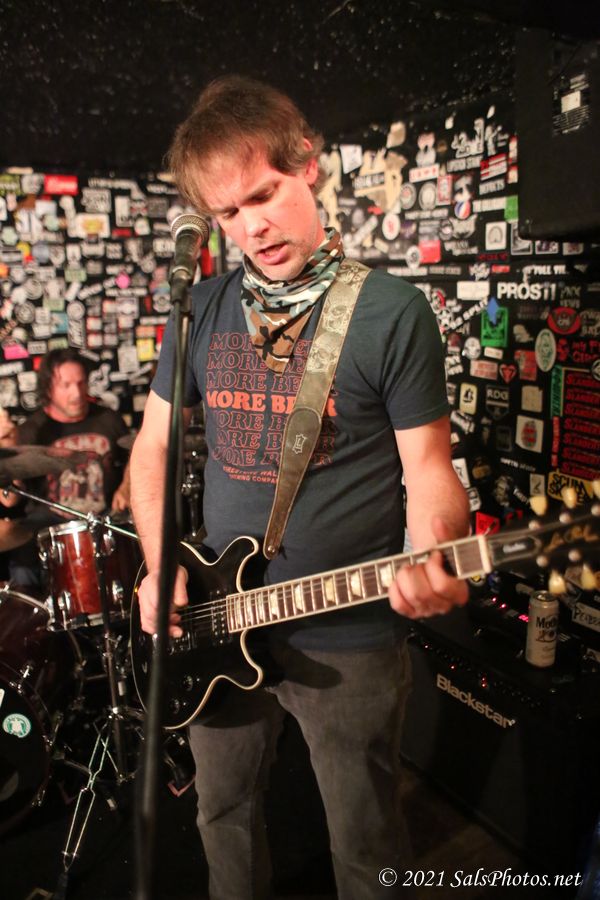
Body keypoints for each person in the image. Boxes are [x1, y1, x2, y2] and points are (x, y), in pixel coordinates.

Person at [130, 75, 470, 900]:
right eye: (228, 213)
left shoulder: (391, 313)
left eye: (263, 194)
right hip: (219, 618)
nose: (252, 227)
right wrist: (159, 567)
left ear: (308, 164)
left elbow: (429, 469)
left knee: (365, 842)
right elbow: (152, 449)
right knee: (223, 816)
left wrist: (435, 552)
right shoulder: (197, 309)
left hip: (348, 631)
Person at [1, 348, 131, 585]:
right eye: (66, 385)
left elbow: (135, 454)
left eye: (81, 383)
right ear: (48, 388)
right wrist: (7, 445)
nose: (77, 393)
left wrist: (126, 486)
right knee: (22, 567)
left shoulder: (108, 419)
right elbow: (10, 499)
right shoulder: (32, 430)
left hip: (103, 519)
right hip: (49, 524)